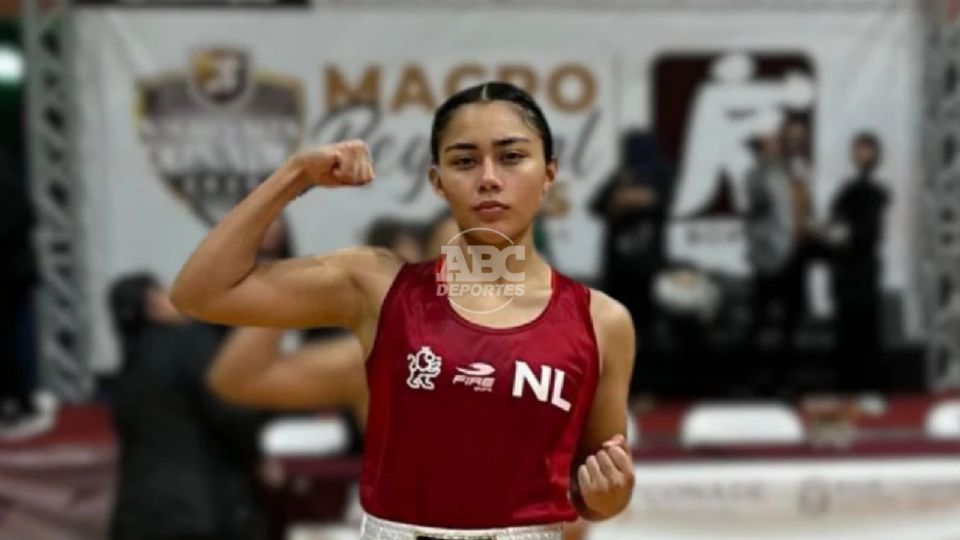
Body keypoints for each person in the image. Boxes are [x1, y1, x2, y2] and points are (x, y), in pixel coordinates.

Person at [171, 81, 636, 537]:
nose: (489, 177)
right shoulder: (378, 286)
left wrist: (610, 494)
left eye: (512, 156)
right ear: (437, 181)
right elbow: (199, 292)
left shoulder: (602, 322)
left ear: (549, 172)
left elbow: (597, 492)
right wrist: (294, 176)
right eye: (464, 161)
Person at [107, 273, 269, 540]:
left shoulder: (126, 369)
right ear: (154, 305)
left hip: (137, 513)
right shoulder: (189, 342)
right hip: (202, 505)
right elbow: (229, 407)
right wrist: (256, 455)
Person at [822, 131, 890, 392]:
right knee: (846, 330)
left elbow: (870, 234)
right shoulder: (848, 190)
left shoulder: (877, 191)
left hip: (865, 268)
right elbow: (835, 225)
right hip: (847, 269)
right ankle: (847, 385)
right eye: (859, 149)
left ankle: (869, 385)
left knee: (867, 328)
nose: (863, 154)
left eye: (868, 149)